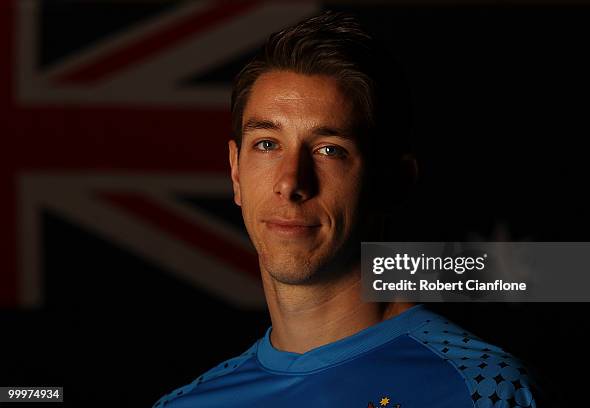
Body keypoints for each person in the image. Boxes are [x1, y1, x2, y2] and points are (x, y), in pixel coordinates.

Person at [153, 11, 536, 408]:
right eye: (267, 144)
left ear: (392, 182)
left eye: (329, 150)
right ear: (235, 172)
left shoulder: (482, 389)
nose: (290, 182)